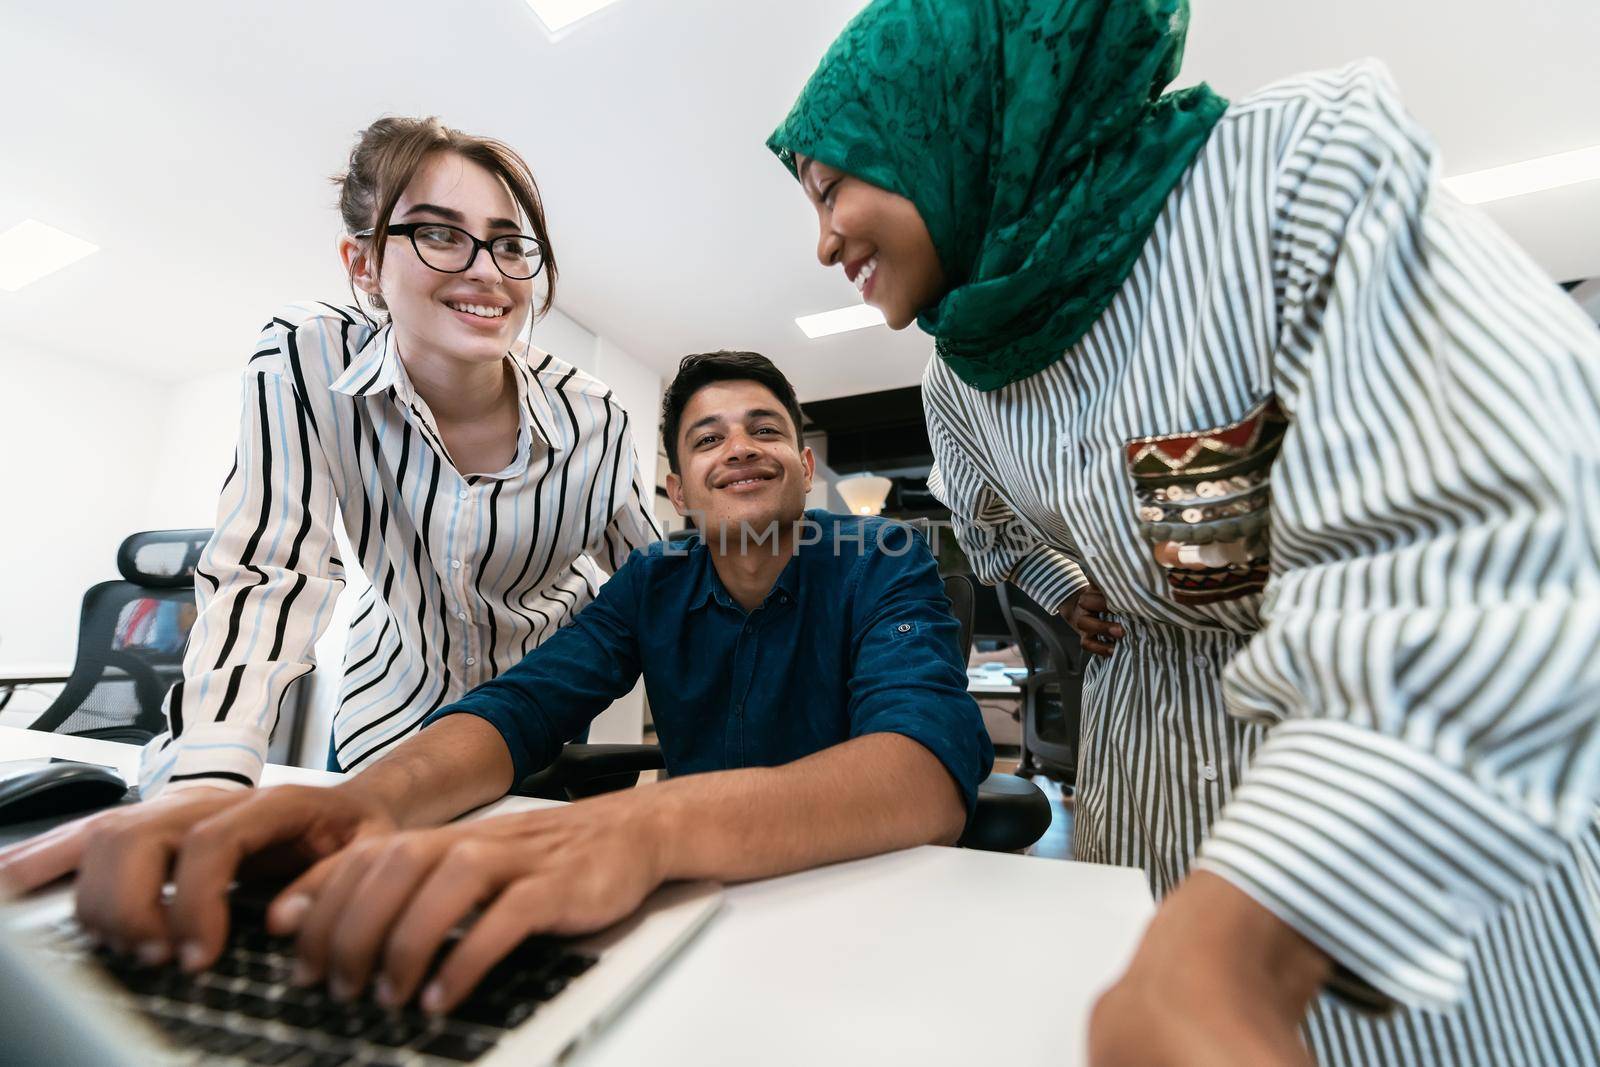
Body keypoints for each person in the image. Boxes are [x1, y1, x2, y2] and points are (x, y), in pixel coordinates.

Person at [766, 1, 1600, 1065]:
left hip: (1388, 774)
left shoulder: (1283, 176)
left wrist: (1238, 944)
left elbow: (1492, 520)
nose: (823, 237)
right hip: (1150, 764)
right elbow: (991, 530)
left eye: (832, 184)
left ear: (940, 116)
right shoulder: (960, 376)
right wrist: (1069, 589)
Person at [4, 351, 991, 1017]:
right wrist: (358, 802)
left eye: (764, 428)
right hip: (702, 911)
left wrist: (642, 828)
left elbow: (924, 778)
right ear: (677, 489)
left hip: (862, 901)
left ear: (803, 462)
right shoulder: (655, 577)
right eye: (706, 436)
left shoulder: (879, 552)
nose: (739, 446)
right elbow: (522, 705)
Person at [0, 117, 660, 928]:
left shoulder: (598, 419)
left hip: (540, 728)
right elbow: (270, 570)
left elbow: (656, 594)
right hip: (383, 713)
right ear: (365, 263)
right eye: (440, 235)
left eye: (508, 243)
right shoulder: (307, 357)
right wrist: (206, 781)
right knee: (326, 915)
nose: (486, 271)